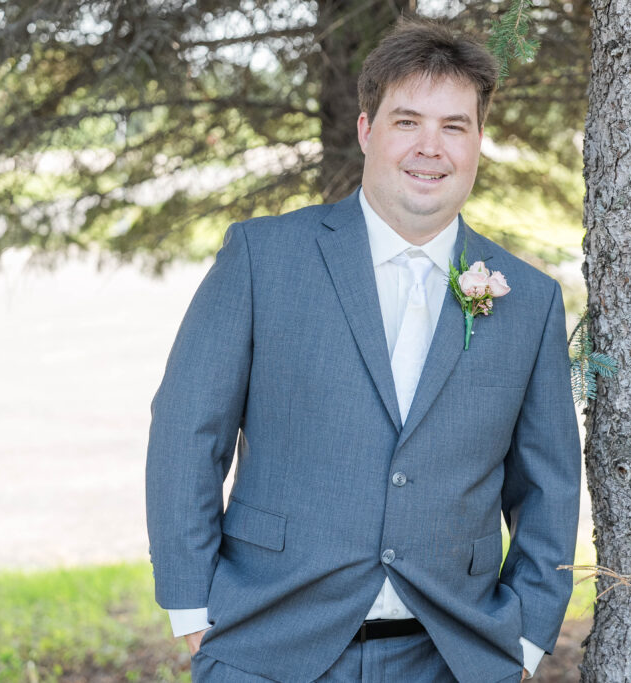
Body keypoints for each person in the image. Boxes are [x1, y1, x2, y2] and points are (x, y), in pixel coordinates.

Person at [146, 18, 581, 683]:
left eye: (454, 126)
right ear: (366, 130)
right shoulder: (264, 258)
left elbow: (548, 485)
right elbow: (187, 429)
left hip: (453, 654)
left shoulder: (529, 297)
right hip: (267, 643)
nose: (430, 147)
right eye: (407, 121)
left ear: (478, 142)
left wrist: (523, 636)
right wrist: (191, 603)